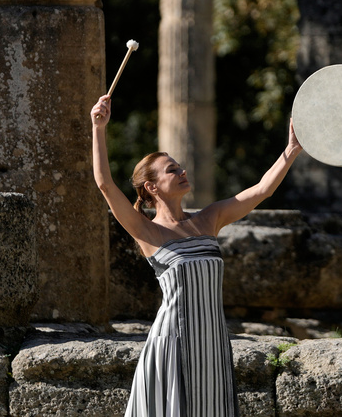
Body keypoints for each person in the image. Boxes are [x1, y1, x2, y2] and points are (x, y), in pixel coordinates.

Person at [90, 94, 303, 417]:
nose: (182, 171)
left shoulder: (209, 217)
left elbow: (261, 190)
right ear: (152, 187)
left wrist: (291, 151)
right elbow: (106, 185)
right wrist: (98, 128)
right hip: (172, 344)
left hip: (213, 342)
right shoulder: (147, 232)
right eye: (172, 169)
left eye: (180, 166)